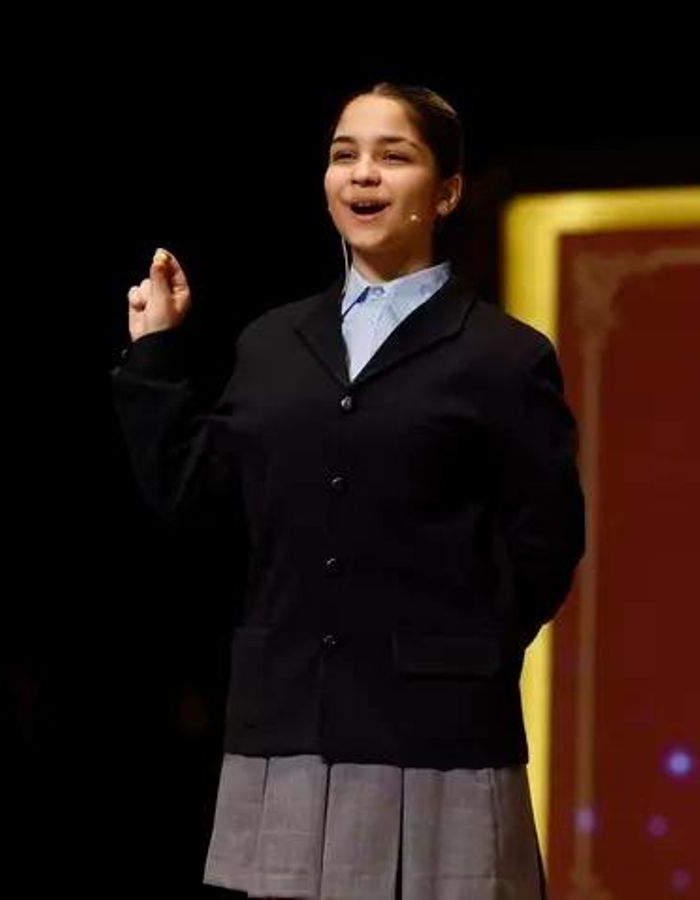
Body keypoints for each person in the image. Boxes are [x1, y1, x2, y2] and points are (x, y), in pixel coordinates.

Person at [114, 82, 584, 900]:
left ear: (446, 192)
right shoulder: (272, 344)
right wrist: (155, 357)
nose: (362, 175)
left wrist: (463, 644)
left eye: (392, 156)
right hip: (288, 727)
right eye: (344, 155)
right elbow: (201, 498)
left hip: (436, 739)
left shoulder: (504, 358)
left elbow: (546, 541)